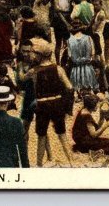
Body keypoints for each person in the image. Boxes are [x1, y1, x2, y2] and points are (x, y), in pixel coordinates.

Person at [31, 38, 75, 167]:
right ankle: (72, 163)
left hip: (42, 105)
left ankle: (39, 164)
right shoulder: (58, 69)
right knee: (62, 135)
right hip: (57, 103)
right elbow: (69, 87)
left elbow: (35, 90)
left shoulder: (35, 71)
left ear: (40, 55)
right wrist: (66, 105)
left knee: (41, 136)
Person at [67, 24, 98, 92]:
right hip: (87, 68)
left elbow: (70, 56)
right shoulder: (88, 38)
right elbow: (93, 53)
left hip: (76, 70)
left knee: (77, 91)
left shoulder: (69, 40)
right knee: (89, 90)